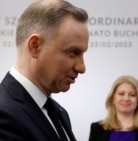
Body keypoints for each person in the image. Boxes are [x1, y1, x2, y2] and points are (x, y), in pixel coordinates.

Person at [0, 0, 89, 140]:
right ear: (35, 46)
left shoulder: (59, 113)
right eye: (73, 52)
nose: (81, 67)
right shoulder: (4, 114)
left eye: (82, 54)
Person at [88, 75, 138, 141]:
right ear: (112, 98)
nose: (126, 98)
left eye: (132, 95)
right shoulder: (97, 129)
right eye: (121, 94)